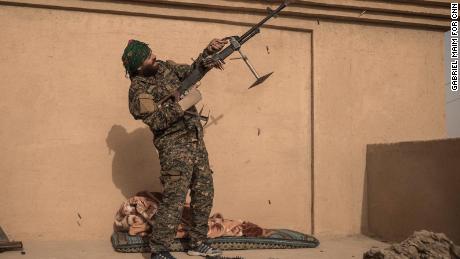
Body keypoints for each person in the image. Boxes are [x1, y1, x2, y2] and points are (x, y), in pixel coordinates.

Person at [121, 38, 228, 259]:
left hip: (195, 139)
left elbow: (193, 71)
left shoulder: (166, 67)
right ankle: (159, 250)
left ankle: (197, 242)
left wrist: (209, 51)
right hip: (174, 146)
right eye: (149, 56)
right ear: (140, 66)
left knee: (204, 191)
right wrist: (183, 104)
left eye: (151, 51)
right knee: (175, 198)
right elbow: (157, 120)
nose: (154, 56)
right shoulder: (138, 90)